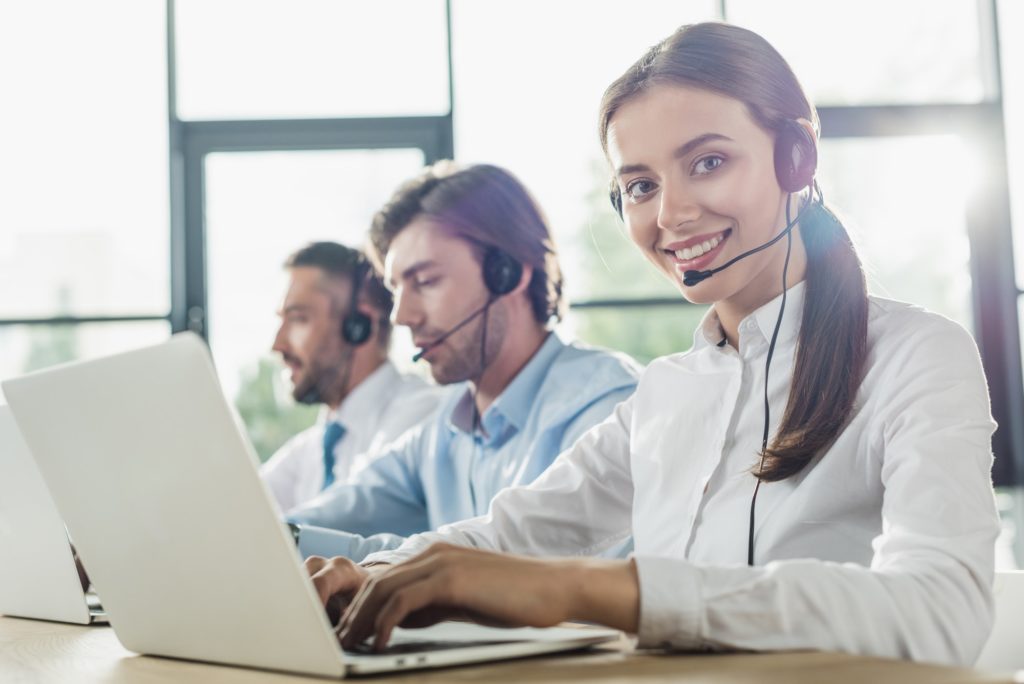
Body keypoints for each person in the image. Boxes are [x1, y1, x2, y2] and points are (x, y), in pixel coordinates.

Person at [308, 23, 1001, 667]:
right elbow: (513, 532)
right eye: (640, 185)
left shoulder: (917, 355)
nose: (670, 215)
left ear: (797, 158)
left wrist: (600, 589)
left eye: (707, 162)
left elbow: (943, 609)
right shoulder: (666, 394)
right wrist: (373, 575)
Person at [284, 162, 641, 562]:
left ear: (508, 273)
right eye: (396, 289)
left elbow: (559, 588)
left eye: (425, 282)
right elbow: (340, 513)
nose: (402, 316)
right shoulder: (442, 429)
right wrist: (274, 538)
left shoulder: (607, 410)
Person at [260, 242, 442, 513]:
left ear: (358, 324)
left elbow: (358, 510)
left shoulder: (422, 416)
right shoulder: (310, 448)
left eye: (298, 319)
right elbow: (239, 514)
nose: (278, 344)